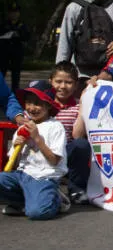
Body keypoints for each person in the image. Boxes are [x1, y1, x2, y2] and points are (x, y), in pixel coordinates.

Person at [0, 86, 68, 219]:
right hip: (22, 174)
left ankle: (57, 200)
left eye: (37, 103)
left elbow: (54, 160)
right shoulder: (22, 127)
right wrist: (18, 146)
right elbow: (14, 164)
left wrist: (37, 138)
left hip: (43, 177)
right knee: (2, 178)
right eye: (29, 102)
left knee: (37, 213)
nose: (32, 108)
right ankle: (22, 202)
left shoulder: (55, 126)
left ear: (48, 105)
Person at [45, 64, 90, 205]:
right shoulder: (41, 105)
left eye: (68, 82)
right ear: (50, 81)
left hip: (67, 155)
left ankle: (76, 189)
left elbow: (77, 135)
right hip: (45, 154)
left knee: (81, 144)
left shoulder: (79, 107)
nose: (63, 86)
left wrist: (83, 104)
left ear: (76, 85)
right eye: (58, 81)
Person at [0, 2, 29, 90]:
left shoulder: (22, 25)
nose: (14, 14)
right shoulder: (3, 24)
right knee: (2, 73)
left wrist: (18, 35)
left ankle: (15, 93)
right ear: (8, 13)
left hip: (16, 53)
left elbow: (27, 37)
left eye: (16, 12)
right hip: (4, 53)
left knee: (15, 75)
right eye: (12, 12)